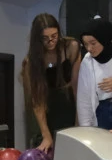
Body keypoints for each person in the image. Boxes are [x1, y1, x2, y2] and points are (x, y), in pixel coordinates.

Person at [22, 14, 80, 151]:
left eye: (54, 36)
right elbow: (37, 100)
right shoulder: (31, 61)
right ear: (37, 39)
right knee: (48, 149)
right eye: (45, 38)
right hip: (46, 111)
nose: (51, 41)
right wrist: (46, 134)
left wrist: (79, 121)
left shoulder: (71, 47)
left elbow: (77, 86)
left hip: (69, 104)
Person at [75, 17, 112, 130]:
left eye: (93, 43)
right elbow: (84, 99)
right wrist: (86, 128)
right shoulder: (87, 62)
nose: (89, 48)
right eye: (85, 44)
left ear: (104, 39)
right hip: (101, 111)